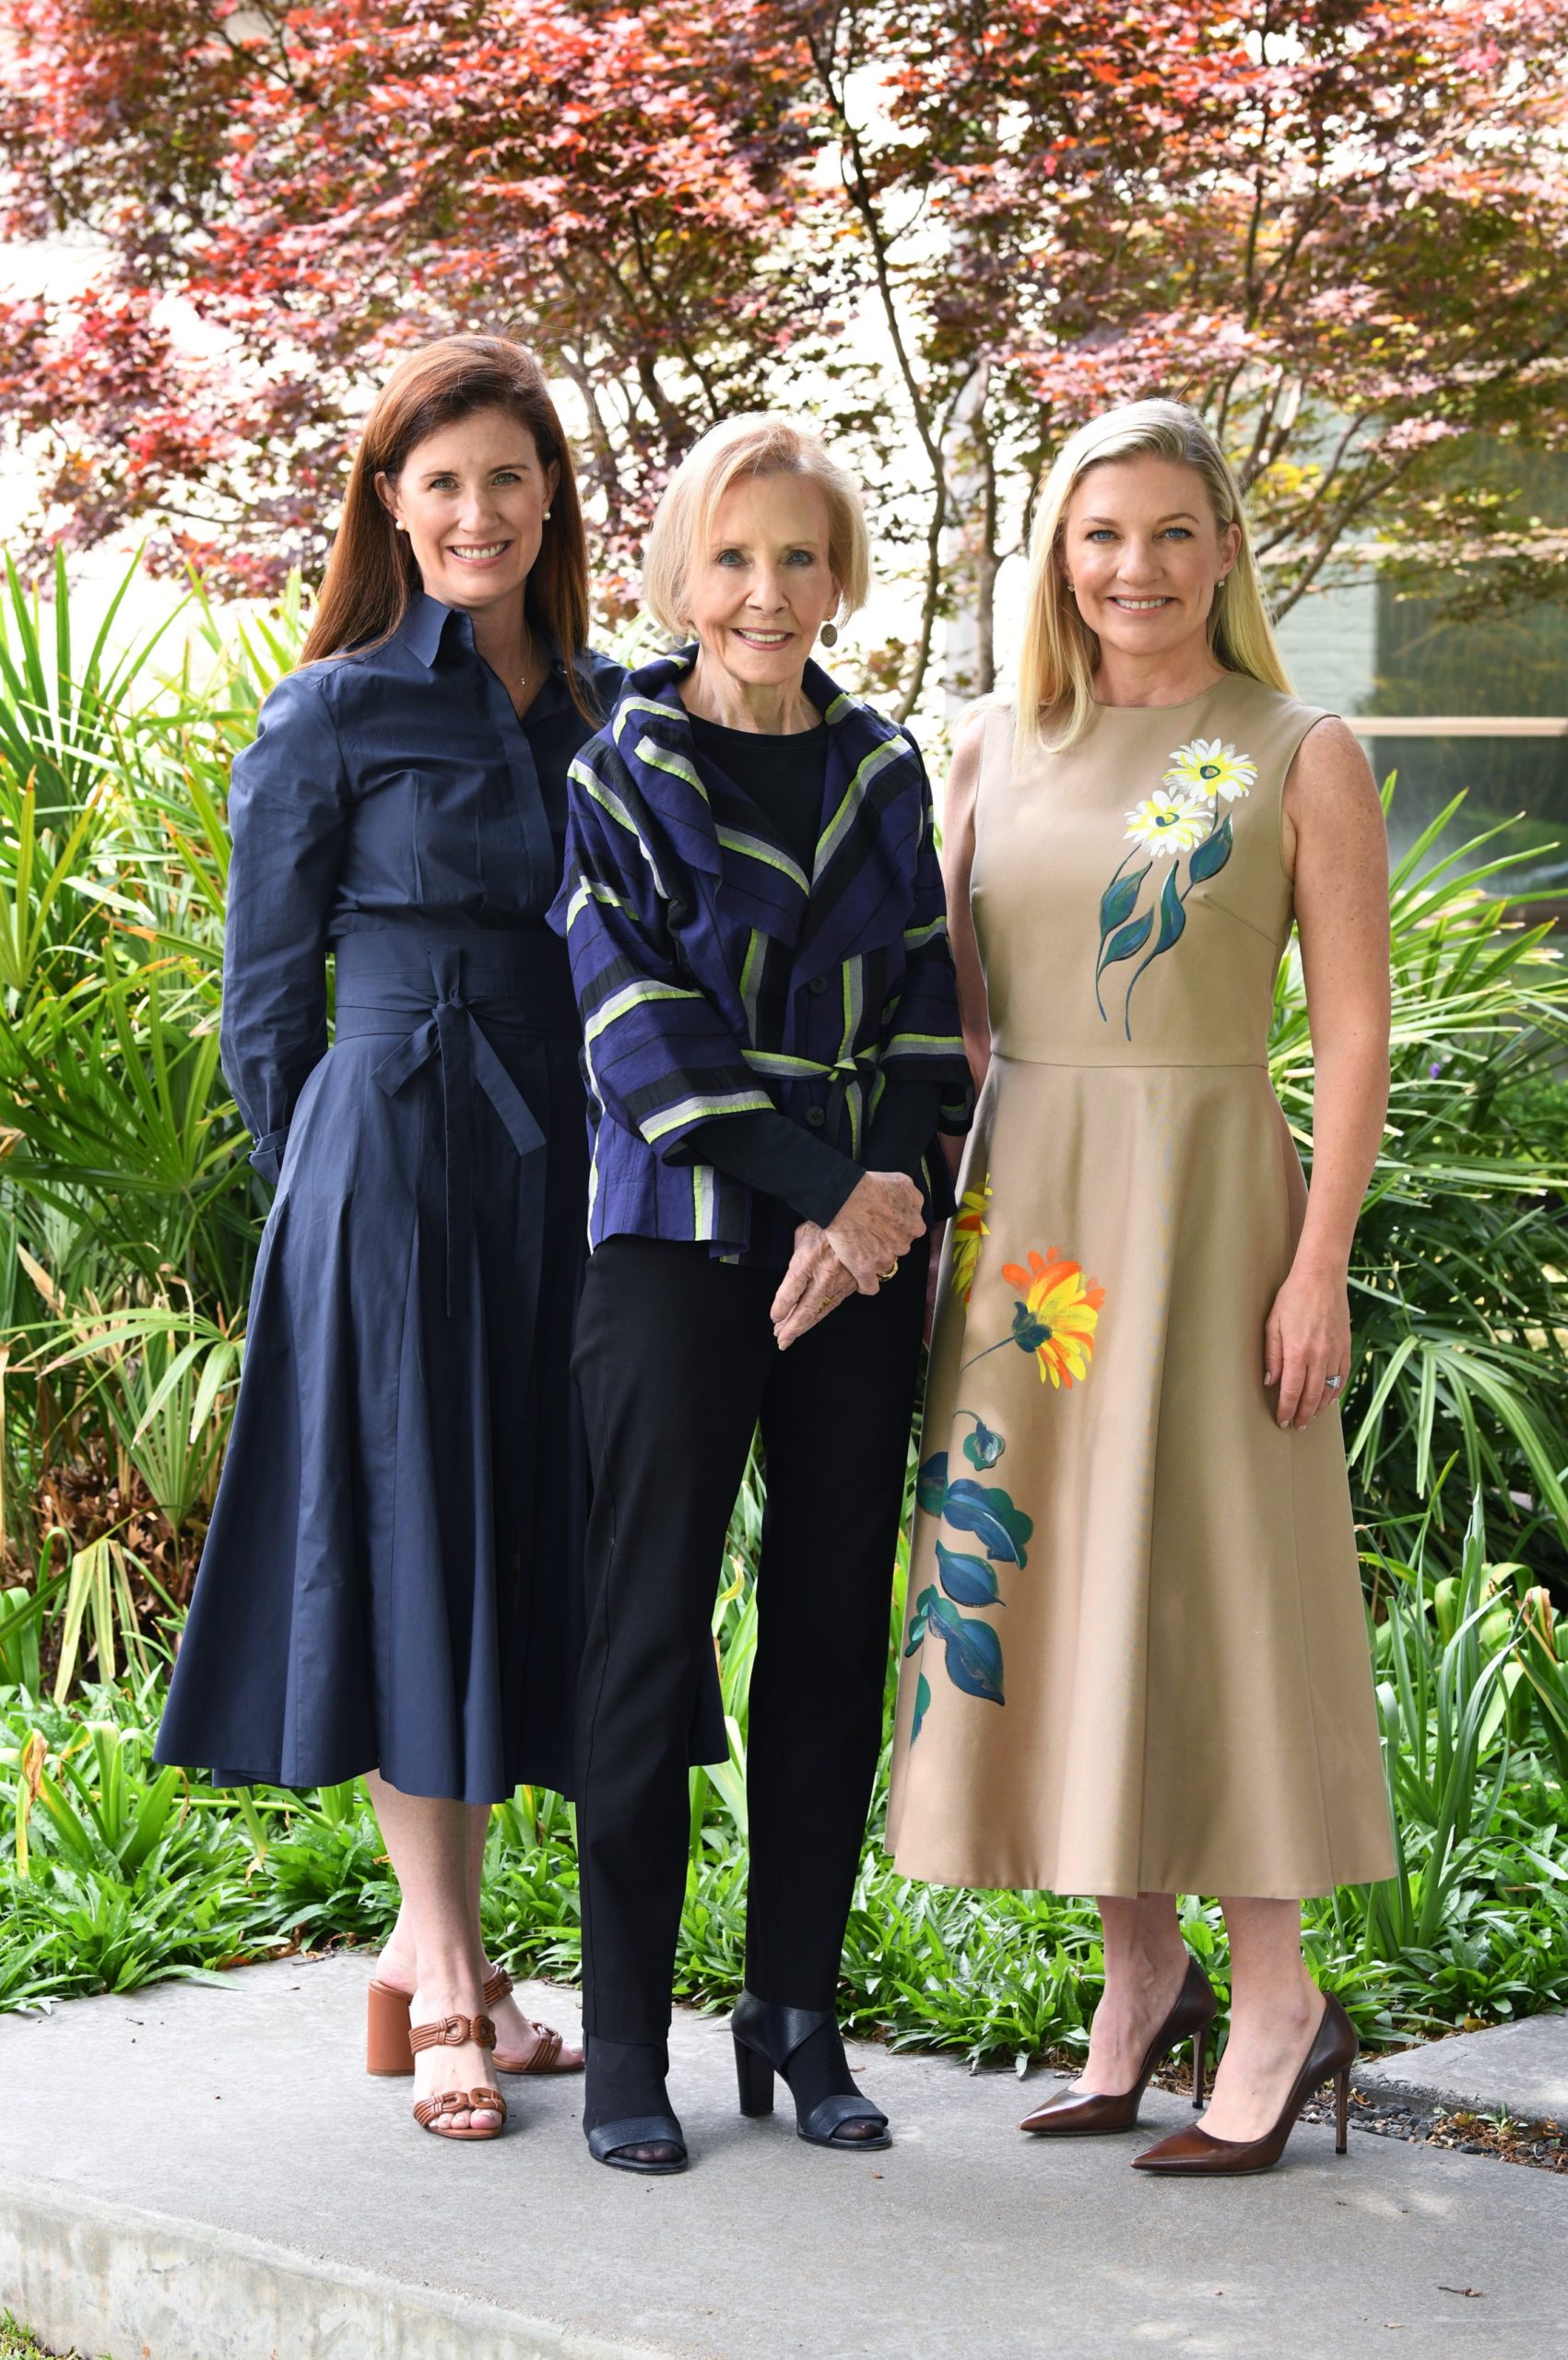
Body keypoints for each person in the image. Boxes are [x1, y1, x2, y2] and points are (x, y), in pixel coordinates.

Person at [886, 398, 1396, 2177]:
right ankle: (1135, 1982)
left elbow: (1348, 1033)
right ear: (1057, 555)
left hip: (1208, 1218)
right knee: (1060, 1590)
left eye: (1173, 531)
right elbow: (946, 1015)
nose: (1134, 569)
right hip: (1026, 1229)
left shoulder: (1291, 746)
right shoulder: (986, 747)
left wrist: (1315, 1260)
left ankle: (1278, 2000)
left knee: (1212, 1590)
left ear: (1226, 549)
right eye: (1101, 534)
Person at [156, 336, 631, 2143]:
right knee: (409, 1539)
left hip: (578, 1171)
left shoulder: (611, 711)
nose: (475, 511)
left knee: (515, 1542)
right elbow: (263, 1013)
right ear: (388, 503)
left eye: (507, 477)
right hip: (390, 1167)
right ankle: (439, 1968)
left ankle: (452, 1960)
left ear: (549, 499)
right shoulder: (332, 710)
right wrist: (336, 1204)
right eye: (439, 482)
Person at [549, 414, 973, 2173]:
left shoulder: (883, 773)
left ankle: (796, 2016)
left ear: (837, 576)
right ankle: (629, 2040)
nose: (766, 591)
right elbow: (636, 1030)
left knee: (819, 1636)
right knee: (645, 1639)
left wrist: (874, 1224)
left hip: (854, 1271)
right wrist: (829, 1195)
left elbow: (933, 1026)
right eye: (733, 557)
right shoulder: (616, 768)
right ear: (679, 574)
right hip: (672, 1251)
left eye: (799, 557)